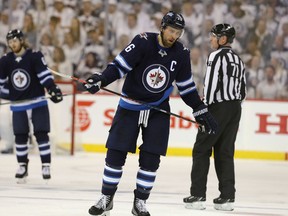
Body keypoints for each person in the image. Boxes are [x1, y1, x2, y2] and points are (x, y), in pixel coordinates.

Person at [83, 11, 218, 216]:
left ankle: (140, 203)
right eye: (171, 30)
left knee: (151, 158)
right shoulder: (143, 42)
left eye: (178, 32)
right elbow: (119, 66)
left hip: (158, 108)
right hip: (130, 106)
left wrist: (199, 109)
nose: (174, 36)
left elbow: (186, 87)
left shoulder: (181, 53)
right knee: (115, 153)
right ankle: (107, 198)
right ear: (162, 27)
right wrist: (101, 79)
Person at [183, 23, 247, 211]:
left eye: (213, 36)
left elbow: (210, 86)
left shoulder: (215, 56)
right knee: (225, 151)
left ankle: (197, 196)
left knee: (201, 148)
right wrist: (230, 109)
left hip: (217, 108)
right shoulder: (238, 60)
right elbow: (243, 90)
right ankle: (227, 197)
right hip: (235, 109)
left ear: (223, 39)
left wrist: (203, 110)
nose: (210, 39)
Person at [0, 29, 63, 182]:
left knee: (41, 134)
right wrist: (14, 96)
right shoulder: (5, 60)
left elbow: (44, 76)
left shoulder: (34, 56)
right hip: (19, 105)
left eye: (15, 40)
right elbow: (1, 86)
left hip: (37, 102)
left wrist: (53, 89)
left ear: (22, 40)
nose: (12, 43)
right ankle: (22, 166)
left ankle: (46, 165)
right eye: (10, 41)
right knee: (20, 136)